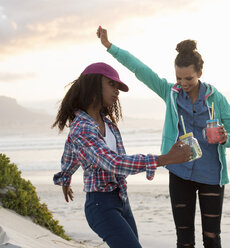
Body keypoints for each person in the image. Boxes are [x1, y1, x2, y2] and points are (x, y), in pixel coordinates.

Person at [97, 27, 230, 248]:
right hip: (180, 172)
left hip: (211, 174)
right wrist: (110, 47)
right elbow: (140, 69)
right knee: (184, 240)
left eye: (189, 78)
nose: (183, 83)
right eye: (178, 78)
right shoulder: (170, 93)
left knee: (212, 238)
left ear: (200, 73)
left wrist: (226, 138)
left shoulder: (217, 98)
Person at [52, 62, 192, 248]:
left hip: (120, 199)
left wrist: (65, 178)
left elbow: (71, 152)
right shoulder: (82, 128)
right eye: (111, 84)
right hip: (100, 206)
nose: (117, 91)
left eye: (118, 87)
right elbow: (113, 163)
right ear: (93, 84)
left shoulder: (107, 123)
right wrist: (164, 159)